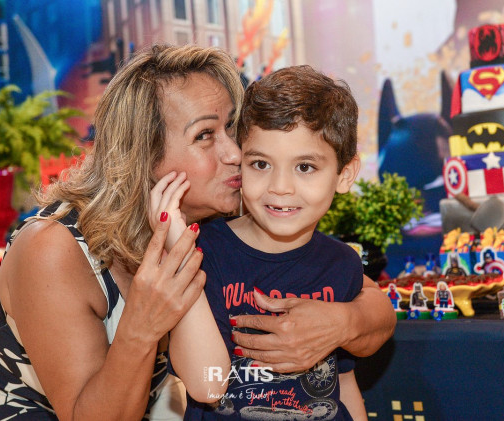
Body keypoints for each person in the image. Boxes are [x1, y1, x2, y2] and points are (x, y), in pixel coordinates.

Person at [0, 44, 394, 420]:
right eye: (205, 135)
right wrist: (144, 320)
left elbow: (370, 302)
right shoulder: (55, 248)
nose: (234, 153)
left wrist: (343, 322)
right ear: (144, 155)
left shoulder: (225, 211)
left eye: (232, 128)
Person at [153, 65, 368, 419]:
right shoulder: (205, 253)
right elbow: (207, 386)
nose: (280, 187)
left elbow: (342, 383)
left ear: (344, 174)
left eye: (305, 167)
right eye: (260, 164)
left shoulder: (343, 263)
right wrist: (179, 245)